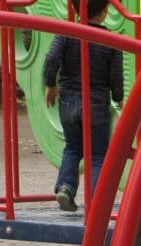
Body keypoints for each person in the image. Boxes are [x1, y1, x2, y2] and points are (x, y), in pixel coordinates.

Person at [43, 0, 124, 212]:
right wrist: (119, 97)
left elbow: (51, 58)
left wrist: (50, 84)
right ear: (105, 12)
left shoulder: (67, 33)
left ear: (76, 8)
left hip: (68, 101)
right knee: (97, 155)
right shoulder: (111, 40)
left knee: (72, 147)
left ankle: (66, 188)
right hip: (96, 103)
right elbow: (115, 75)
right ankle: (97, 202)